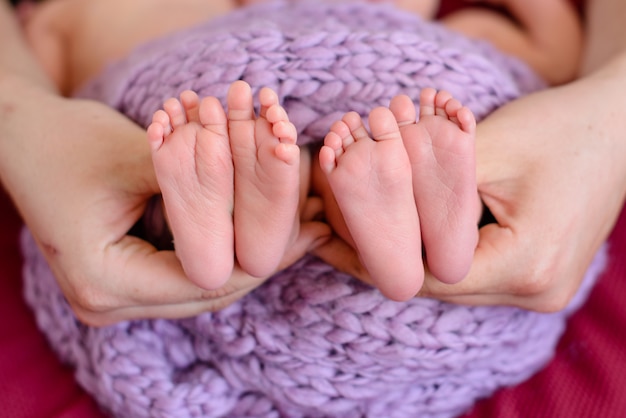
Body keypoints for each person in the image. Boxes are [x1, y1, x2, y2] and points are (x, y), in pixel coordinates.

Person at [0, 0, 621, 326]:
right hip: (408, 73)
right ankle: (400, 214)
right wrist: (534, 49)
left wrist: (46, 56)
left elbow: (60, 70)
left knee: (129, 28)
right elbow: (555, 45)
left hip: (197, 84)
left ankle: (244, 200)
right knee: (460, 48)